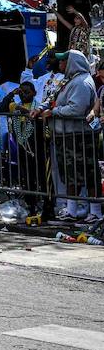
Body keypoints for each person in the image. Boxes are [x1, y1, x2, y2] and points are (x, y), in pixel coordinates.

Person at [41, 49, 101, 222]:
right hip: (66, 135)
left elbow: (77, 108)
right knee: (70, 173)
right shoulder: (69, 80)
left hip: (79, 136)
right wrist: (42, 108)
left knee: (88, 174)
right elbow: (53, 97)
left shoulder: (81, 82)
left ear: (72, 63)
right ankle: (72, 210)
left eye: (62, 61)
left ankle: (95, 212)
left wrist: (53, 112)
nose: (59, 63)